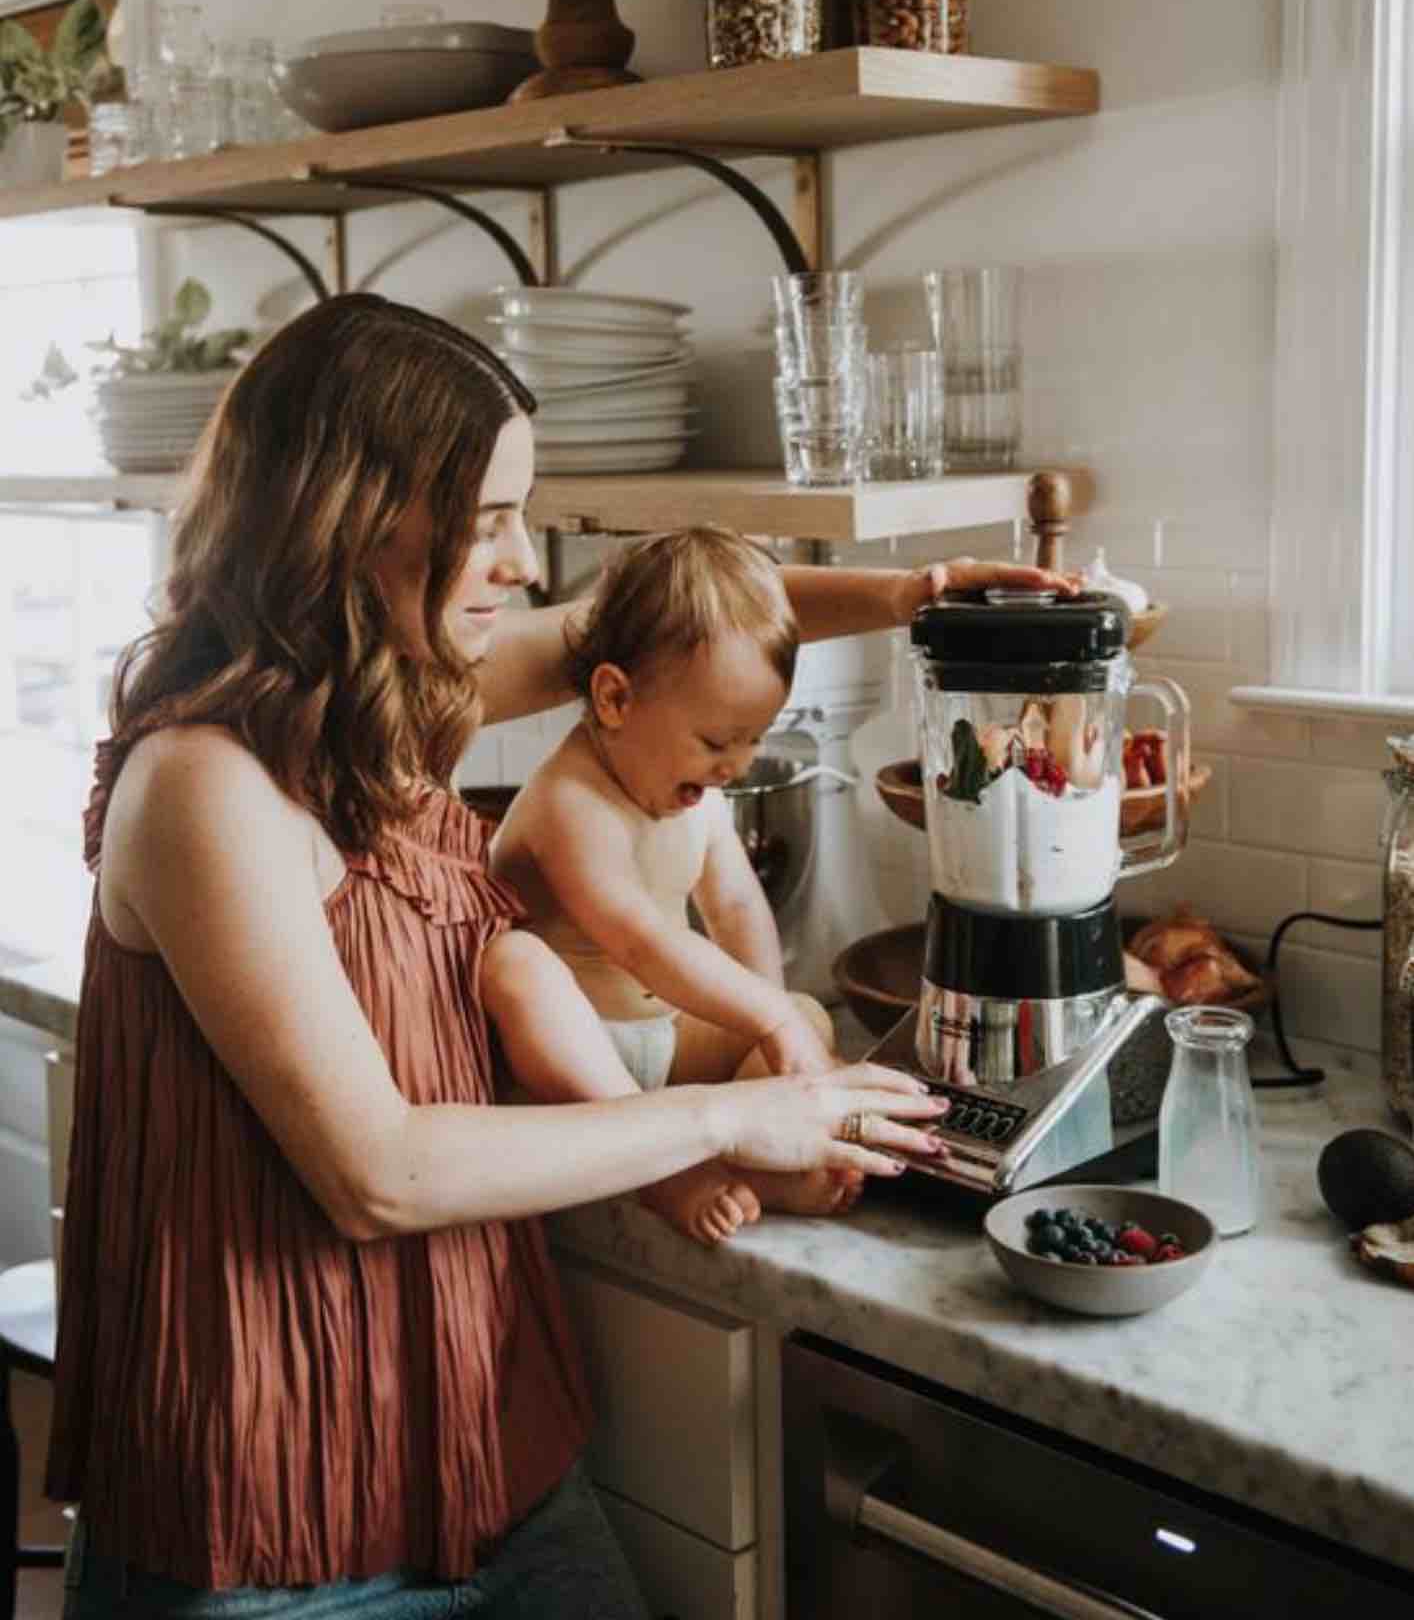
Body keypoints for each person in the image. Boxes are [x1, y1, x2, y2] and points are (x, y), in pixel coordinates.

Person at [45, 291, 1065, 1616]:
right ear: (344, 519)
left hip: (481, 1451)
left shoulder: (389, 709)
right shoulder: (207, 785)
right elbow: (379, 1172)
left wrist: (914, 597)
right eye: (484, 523)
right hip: (264, 1509)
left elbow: (639, 629)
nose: (522, 562)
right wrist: (738, 1111)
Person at [491, 527, 863, 1246]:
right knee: (518, 975)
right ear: (614, 699)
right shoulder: (572, 805)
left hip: (662, 1045)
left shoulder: (699, 797)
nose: (737, 765)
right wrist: (765, 1019)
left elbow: (734, 906)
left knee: (809, 1015)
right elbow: (639, 941)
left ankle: (753, 1153)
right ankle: (657, 1172)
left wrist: (778, 1046)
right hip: (572, 1076)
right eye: (718, 740)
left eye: (755, 738)